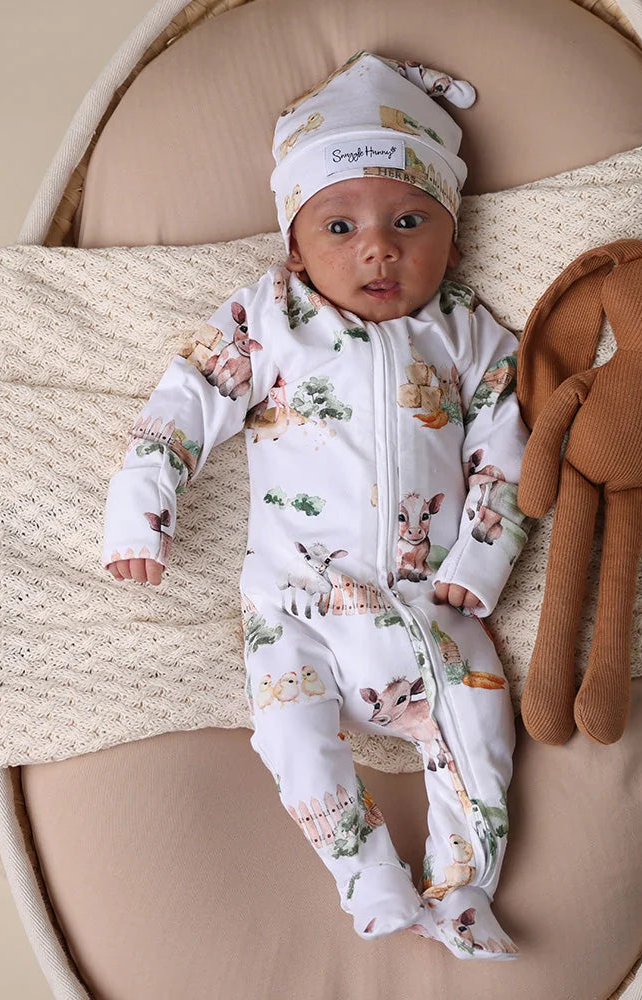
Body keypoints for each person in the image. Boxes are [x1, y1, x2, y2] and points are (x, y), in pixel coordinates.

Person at [102, 51, 529, 960]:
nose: (379, 248)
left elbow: (508, 453)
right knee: (294, 740)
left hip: (431, 608)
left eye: (410, 220)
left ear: (452, 239)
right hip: (293, 606)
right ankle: (366, 876)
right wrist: (142, 507)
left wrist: (480, 560)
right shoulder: (269, 318)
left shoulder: (469, 334)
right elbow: (185, 402)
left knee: (483, 739)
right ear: (295, 247)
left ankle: (462, 889)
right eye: (341, 225)